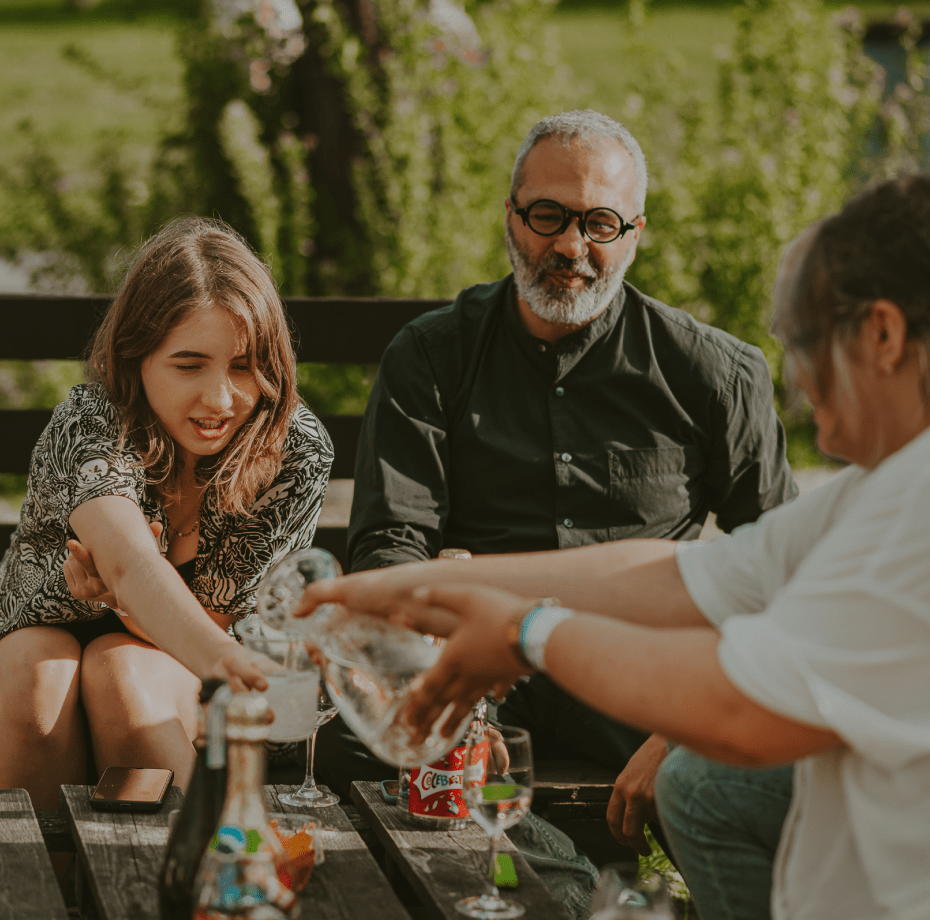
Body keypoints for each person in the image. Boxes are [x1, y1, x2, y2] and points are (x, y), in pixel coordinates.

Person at [300, 173, 930, 920]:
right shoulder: (881, 490)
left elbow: (741, 710)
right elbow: (679, 572)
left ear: (884, 336)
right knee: (707, 789)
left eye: (802, 345)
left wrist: (527, 631)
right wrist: (407, 593)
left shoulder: (912, 511)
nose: (794, 381)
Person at [332, 108, 797, 859]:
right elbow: (391, 547)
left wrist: (678, 733)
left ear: (635, 232)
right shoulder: (430, 357)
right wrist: (451, 695)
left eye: (599, 223)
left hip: (638, 683)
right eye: (547, 215)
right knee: (339, 758)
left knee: (745, 768)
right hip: (476, 668)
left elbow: (780, 572)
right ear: (510, 216)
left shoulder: (715, 375)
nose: (570, 246)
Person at [0, 217, 333, 817]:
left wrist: (125, 607)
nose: (220, 398)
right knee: (36, 675)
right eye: (189, 365)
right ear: (136, 358)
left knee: (124, 675)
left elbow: (204, 618)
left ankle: (185, 878)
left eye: (242, 365)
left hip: (175, 650)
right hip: (49, 630)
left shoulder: (295, 451)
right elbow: (126, 559)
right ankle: (39, 886)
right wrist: (233, 665)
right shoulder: (93, 421)